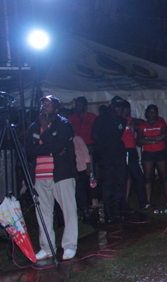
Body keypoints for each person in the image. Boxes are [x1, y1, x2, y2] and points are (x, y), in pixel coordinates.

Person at [26, 95, 79, 261]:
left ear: (57, 109)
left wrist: (46, 130)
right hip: (40, 175)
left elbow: (59, 146)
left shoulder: (63, 124)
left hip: (61, 174)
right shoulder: (34, 126)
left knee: (68, 211)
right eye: (43, 104)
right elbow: (30, 151)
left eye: (48, 105)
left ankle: (69, 246)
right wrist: (50, 149)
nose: (44, 107)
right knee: (43, 212)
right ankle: (47, 247)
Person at [92, 97, 128, 223]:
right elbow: (94, 134)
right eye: (117, 107)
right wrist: (104, 146)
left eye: (121, 107)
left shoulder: (121, 121)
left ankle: (116, 210)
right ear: (112, 107)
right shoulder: (101, 119)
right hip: (106, 157)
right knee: (107, 184)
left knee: (120, 182)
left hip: (118, 156)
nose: (120, 109)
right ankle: (107, 213)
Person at [136, 104, 167, 209]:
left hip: (161, 152)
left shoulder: (161, 124)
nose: (151, 114)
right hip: (147, 154)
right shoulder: (142, 125)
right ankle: (148, 202)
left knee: (164, 177)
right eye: (149, 112)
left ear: (157, 113)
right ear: (146, 113)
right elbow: (139, 140)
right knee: (147, 178)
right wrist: (155, 140)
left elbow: (164, 136)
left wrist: (148, 139)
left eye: (154, 112)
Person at [120, 101, 147, 209]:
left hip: (132, 151)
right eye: (127, 109)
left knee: (135, 176)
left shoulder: (130, 120)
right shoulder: (118, 121)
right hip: (123, 151)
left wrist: (133, 124)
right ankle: (124, 201)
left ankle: (141, 201)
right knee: (127, 176)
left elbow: (142, 122)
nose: (128, 111)